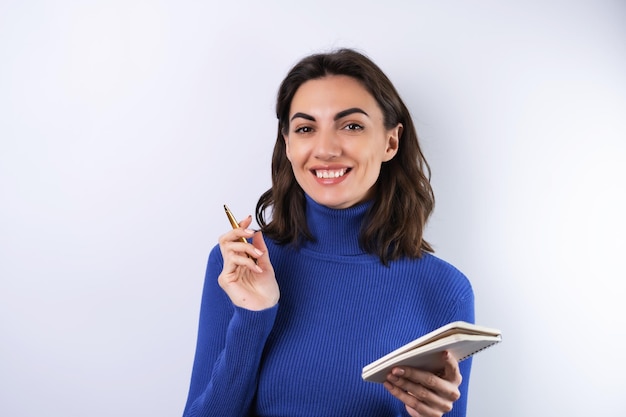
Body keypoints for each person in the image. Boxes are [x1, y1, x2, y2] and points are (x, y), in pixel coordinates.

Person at [182, 48, 474, 417]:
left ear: (391, 142)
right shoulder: (243, 265)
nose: (325, 149)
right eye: (305, 128)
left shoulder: (444, 290)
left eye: (351, 125)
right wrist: (253, 317)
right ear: (288, 144)